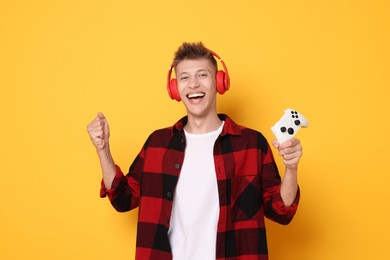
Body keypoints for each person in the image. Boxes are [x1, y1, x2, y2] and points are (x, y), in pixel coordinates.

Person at [87, 42, 303, 260]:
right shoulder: (157, 144)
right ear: (175, 89)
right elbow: (123, 199)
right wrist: (103, 149)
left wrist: (291, 168)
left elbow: (281, 211)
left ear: (219, 82)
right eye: (184, 78)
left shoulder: (251, 143)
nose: (193, 85)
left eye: (202, 75)